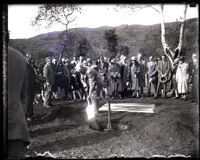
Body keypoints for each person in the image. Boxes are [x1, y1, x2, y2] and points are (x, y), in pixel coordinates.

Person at [76, 64, 104, 131]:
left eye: (80, 71)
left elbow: (92, 84)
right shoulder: (82, 71)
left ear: (82, 68)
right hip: (90, 85)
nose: (80, 72)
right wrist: (84, 84)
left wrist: (89, 93)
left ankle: (95, 117)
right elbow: (81, 79)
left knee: (93, 98)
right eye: (79, 72)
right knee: (90, 99)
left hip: (97, 85)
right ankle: (93, 116)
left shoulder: (89, 71)